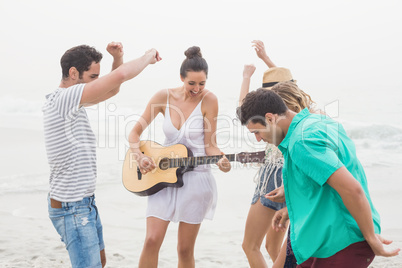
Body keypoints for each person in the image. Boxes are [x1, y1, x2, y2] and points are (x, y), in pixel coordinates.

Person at [236, 86, 400, 267]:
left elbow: (352, 189)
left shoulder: (301, 142)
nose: (258, 139)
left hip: (342, 240)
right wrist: (290, 189)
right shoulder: (317, 122)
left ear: (270, 118)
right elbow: (331, 172)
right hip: (322, 237)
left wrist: (371, 238)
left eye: (257, 132)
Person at [43, 42, 161, 268]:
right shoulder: (64, 99)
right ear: (73, 73)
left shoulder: (72, 102)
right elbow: (120, 76)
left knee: (100, 261)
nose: (97, 82)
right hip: (72, 208)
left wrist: (118, 58)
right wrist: (148, 56)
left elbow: (113, 88)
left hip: (84, 204)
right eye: (93, 76)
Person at [128, 46, 231, 268]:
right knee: (151, 240)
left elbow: (211, 146)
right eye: (191, 83)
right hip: (162, 175)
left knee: (184, 249)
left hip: (196, 178)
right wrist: (139, 156)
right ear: (181, 78)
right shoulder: (163, 96)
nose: (197, 89)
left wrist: (221, 159)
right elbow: (134, 133)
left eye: (202, 83)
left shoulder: (210, 100)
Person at [239, 40, 313, 267]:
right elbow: (285, 80)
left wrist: (246, 77)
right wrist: (266, 59)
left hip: (273, 176)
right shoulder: (302, 112)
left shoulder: (270, 115)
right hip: (293, 176)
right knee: (274, 246)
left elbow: (243, 106)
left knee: (250, 245)